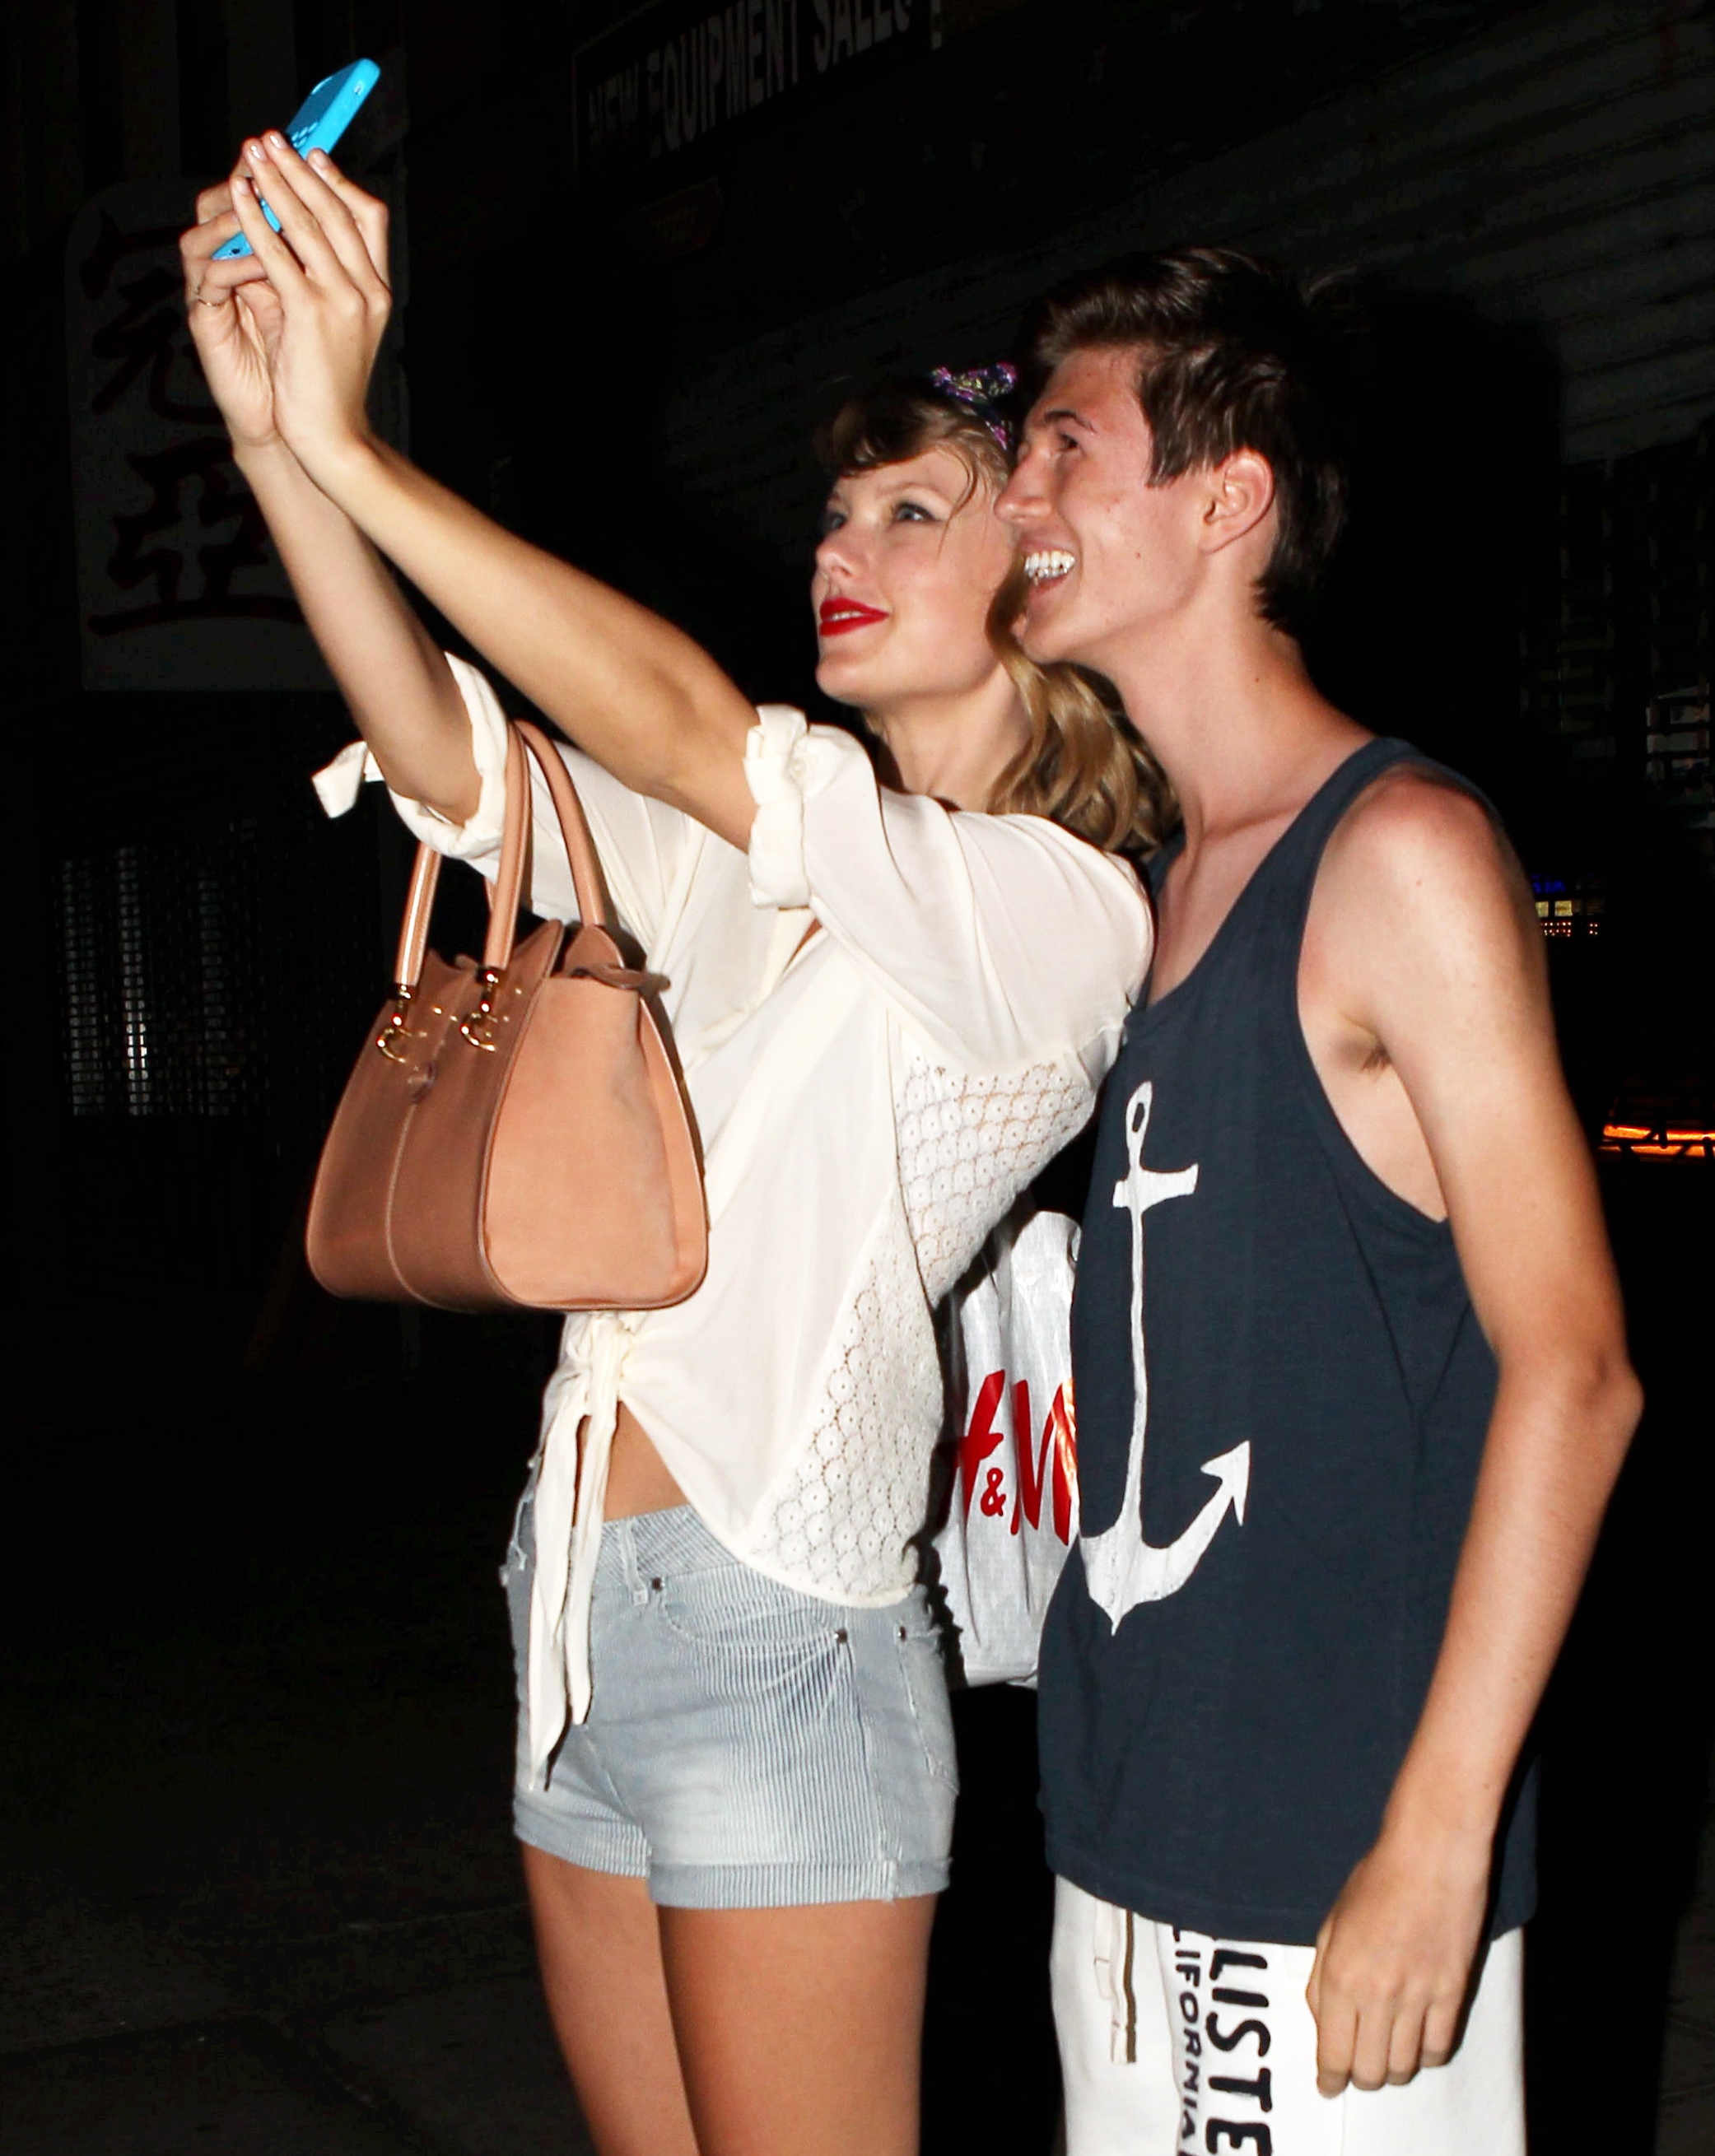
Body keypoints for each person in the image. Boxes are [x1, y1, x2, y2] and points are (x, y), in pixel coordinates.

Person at [179, 133, 1163, 2156]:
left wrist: (363, 448)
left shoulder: (1056, 909)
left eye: (913, 508)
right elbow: (464, 757)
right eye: (837, 508)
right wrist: (277, 442)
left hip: (779, 1621)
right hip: (573, 1599)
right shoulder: (756, 871)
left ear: (1037, 579)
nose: (842, 542)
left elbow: (692, 731)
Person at [999, 247, 1643, 2153]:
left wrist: (1436, 1834)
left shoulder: (1398, 855)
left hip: (1323, 1853)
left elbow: (1575, 1368)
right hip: (1129, 1818)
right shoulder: (1156, 886)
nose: (1021, 493)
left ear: (1227, 501)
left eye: (1064, 445)